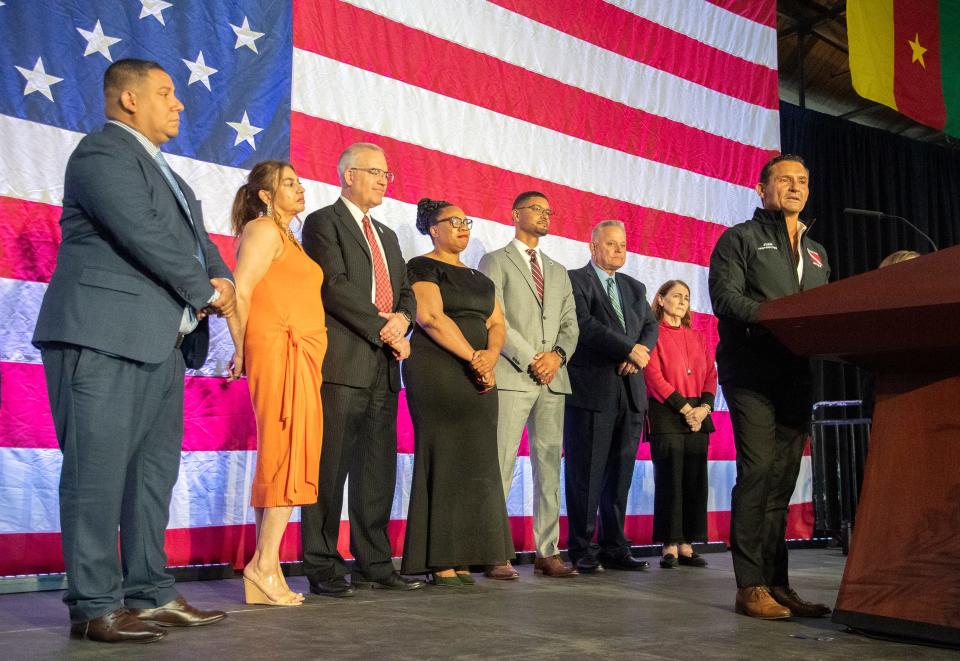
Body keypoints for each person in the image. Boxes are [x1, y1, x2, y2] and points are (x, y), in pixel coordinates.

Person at [31, 59, 231, 643]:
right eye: (166, 93)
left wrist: (223, 282)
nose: (179, 104)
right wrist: (205, 293)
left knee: (151, 477)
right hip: (102, 336)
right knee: (96, 474)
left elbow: (197, 244)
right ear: (127, 100)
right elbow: (142, 232)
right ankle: (94, 604)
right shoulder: (100, 154)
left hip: (160, 343)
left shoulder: (169, 173)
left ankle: (148, 594)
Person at [709, 154, 831, 620]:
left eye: (803, 180)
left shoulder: (818, 251)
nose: (796, 187)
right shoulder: (740, 239)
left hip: (797, 376)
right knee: (758, 473)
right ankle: (749, 585)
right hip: (752, 373)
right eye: (785, 180)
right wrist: (776, 319)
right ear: (762, 189)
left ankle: (778, 583)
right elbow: (725, 298)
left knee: (781, 482)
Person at [299, 143, 422, 596]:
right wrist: (383, 328)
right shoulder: (322, 222)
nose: (383, 180)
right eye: (375, 172)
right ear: (348, 175)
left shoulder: (388, 235)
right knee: (329, 468)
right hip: (343, 361)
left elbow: (405, 291)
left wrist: (404, 321)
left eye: (387, 174)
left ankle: (373, 561)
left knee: (376, 470)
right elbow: (334, 286)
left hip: (385, 367)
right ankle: (323, 563)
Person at [225, 161, 326, 606]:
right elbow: (240, 290)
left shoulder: (288, 237)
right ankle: (262, 565)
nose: (299, 188)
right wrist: (239, 348)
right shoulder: (263, 228)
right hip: (278, 347)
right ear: (265, 195)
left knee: (294, 452)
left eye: (299, 182)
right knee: (284, 451)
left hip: (302, 352)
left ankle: (268, 563)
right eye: (288, 183)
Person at [400, 198, 515, 586]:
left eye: (468, 221)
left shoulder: (481, 278)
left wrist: (490, 356)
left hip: (480, 372)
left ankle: (466, 555)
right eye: (455, 221)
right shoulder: (422, 266)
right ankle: (439, 560)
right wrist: (473, 358)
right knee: (445, 456)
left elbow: (497, 323)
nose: (464, 227)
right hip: (439, 369)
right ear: (434, 229)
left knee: (478, 461)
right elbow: (429, 316)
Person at [477, 192, 580, 580]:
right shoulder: (495, 261)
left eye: (548, 211)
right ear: (515, 213)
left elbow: (571, 323)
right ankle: (495, 550)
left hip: (553, 380)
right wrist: (530, 358)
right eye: (537, 209)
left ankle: (547, 550)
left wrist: (555, 357)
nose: (544, 215)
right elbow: (495, 315)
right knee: (501, 465)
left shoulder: (557, 269)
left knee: (548, 468)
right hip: (513, 376)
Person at [564, 220, 658, 573]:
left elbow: (650, 326)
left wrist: (641, 353)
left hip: (631, 394)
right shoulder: (576, 281)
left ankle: (615, 546)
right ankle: (582, 547)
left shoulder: (635, 287)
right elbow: (585, 326)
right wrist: (628, 350)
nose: (619, 250)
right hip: (592, 391)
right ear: (593, 247)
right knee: (585, 475)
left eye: (622, 244)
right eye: (611, 244)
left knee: (620, 475)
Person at [643, 280, 717, 569]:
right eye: (676, 295)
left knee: (694, 481)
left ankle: (687, 544)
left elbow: (711, 374)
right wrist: (686, 409)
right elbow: (653, 376)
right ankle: (669, 545)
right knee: (670, 481)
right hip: (668, 414)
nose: (682, 301)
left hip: (699, 415)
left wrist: (703, 409)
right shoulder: (652, 335)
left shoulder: (697, 337)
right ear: (660, 299)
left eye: (686, 297)